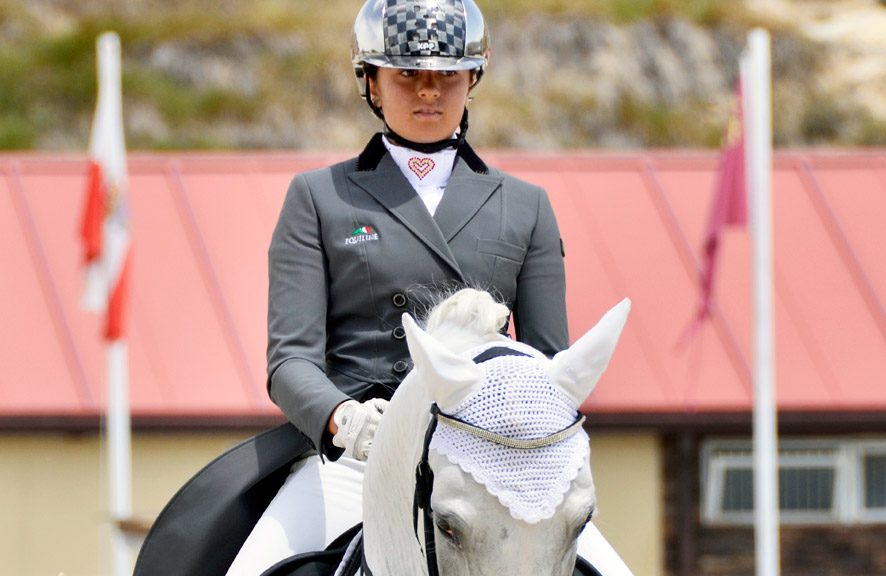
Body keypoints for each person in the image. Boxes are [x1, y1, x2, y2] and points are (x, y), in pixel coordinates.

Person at [227, 0, 633, 574]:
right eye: (407, 75)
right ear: (370, 80)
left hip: (486, 461)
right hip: (357, 457)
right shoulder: (318, 198)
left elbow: (546, 362)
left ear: (473, 78)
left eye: (447, 76)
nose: (428, 92)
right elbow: (289, 360)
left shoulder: (525, 207)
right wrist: (345, 419)